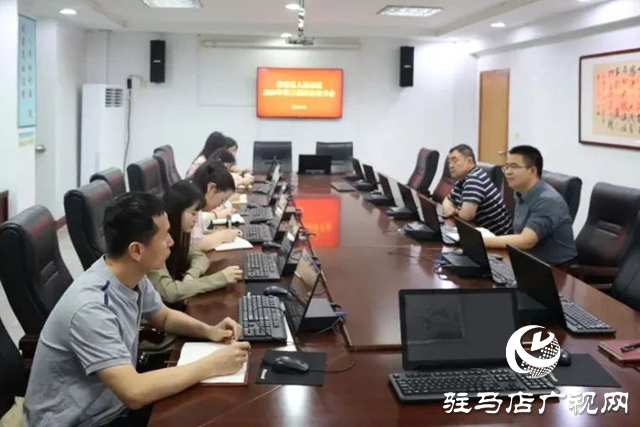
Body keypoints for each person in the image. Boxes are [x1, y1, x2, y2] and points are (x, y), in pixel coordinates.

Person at [24, 192, 250, 427]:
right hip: (82, 421)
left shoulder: (130, 274)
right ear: (137, 251)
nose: (172, 242)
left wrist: (209, 330)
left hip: (111, 403)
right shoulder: (91, 309)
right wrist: (211, 365)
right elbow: (134, 392)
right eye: (165, 236)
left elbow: (164, 316)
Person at [147, 181, 243, 304]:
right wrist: (219, 279)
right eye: (193, 213)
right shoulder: (156, 241)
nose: (196, 220)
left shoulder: (177, 235)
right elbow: (170, 292)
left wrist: (190, 276)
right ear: (177, 212)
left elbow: (200, 256)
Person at [483, 145, 577, 266]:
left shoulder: (548, 200)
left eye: (514, 166)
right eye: (506, 167)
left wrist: (483, 241)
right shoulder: (520, 193)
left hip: (556, 269)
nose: (508, 172)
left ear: (532, 171)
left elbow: (526, 241)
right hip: (527, 259)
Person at [442, 144, 512, 236]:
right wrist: (451, 207)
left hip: (499, 238)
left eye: (455, 160)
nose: (450, 165)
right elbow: (447, 199)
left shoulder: (474, 178)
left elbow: (466, 216)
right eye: (449, 162)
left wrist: (454, 210)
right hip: (480, 232)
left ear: (469, 161)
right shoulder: (462, 180)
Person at [190, 159, 242, 252]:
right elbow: (196, 243)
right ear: (211, 188)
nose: (220, 205)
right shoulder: (190, 204)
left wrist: (215, 233)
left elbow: (196, 234)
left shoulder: (195, 199)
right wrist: (224, 236)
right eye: (222, 200)